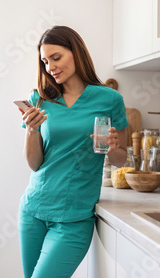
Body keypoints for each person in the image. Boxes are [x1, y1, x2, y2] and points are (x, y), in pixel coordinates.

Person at [17, 26, 128, 277]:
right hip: (33, 209)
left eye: (56, 58)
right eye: (45, 61)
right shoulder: (39, 98)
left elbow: (121, 159)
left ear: (76, 53)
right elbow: (34, 164)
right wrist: (31, 130)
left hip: (74, 217)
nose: (51, 67)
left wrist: (113, 147)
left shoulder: (110, 99)